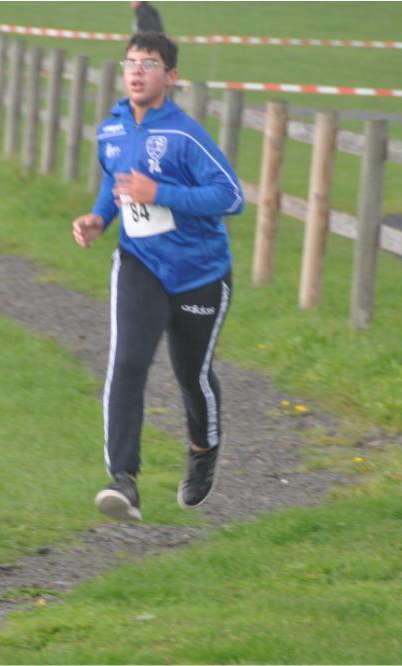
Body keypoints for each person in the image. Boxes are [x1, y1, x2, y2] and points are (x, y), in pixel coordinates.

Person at [71, 32, 244, 522]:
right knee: (127, 363)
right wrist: (99, 218)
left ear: (170, 76)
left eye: (149, 64)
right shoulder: (111, 129)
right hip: (140, 264)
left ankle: (203, 450)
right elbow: (115, 179)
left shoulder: (186, 135)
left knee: (191, 374)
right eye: (130, 62)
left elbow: (231, 197)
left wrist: (160, 193)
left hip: (200, 272)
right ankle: (123, 480)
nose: (137, 71)